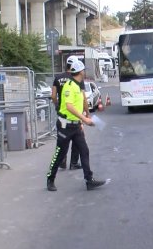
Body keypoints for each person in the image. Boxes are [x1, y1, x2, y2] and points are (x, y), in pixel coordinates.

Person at [46, 60, 108, 192]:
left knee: (84, 151)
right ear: (80, 72)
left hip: (76, 126)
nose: (84, 72)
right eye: (83, 70)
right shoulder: (69, 86)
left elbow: (80, 103)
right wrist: (84, 119)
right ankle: (50, 179)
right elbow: (69, 106)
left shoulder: (77, 85)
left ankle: (89, 180)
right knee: (60, 153)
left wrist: (84, 118)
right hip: (65, 126)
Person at [52, 55, 82, 170]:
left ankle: (62, 161)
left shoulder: (58, 78)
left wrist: (57, 106)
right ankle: (74, 163)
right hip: (74, 114)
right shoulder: (76, 78)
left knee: (61, 141)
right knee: (77, 140)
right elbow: (82, 96)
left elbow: (53, 96)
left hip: (62, 114)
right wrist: (85, 113)